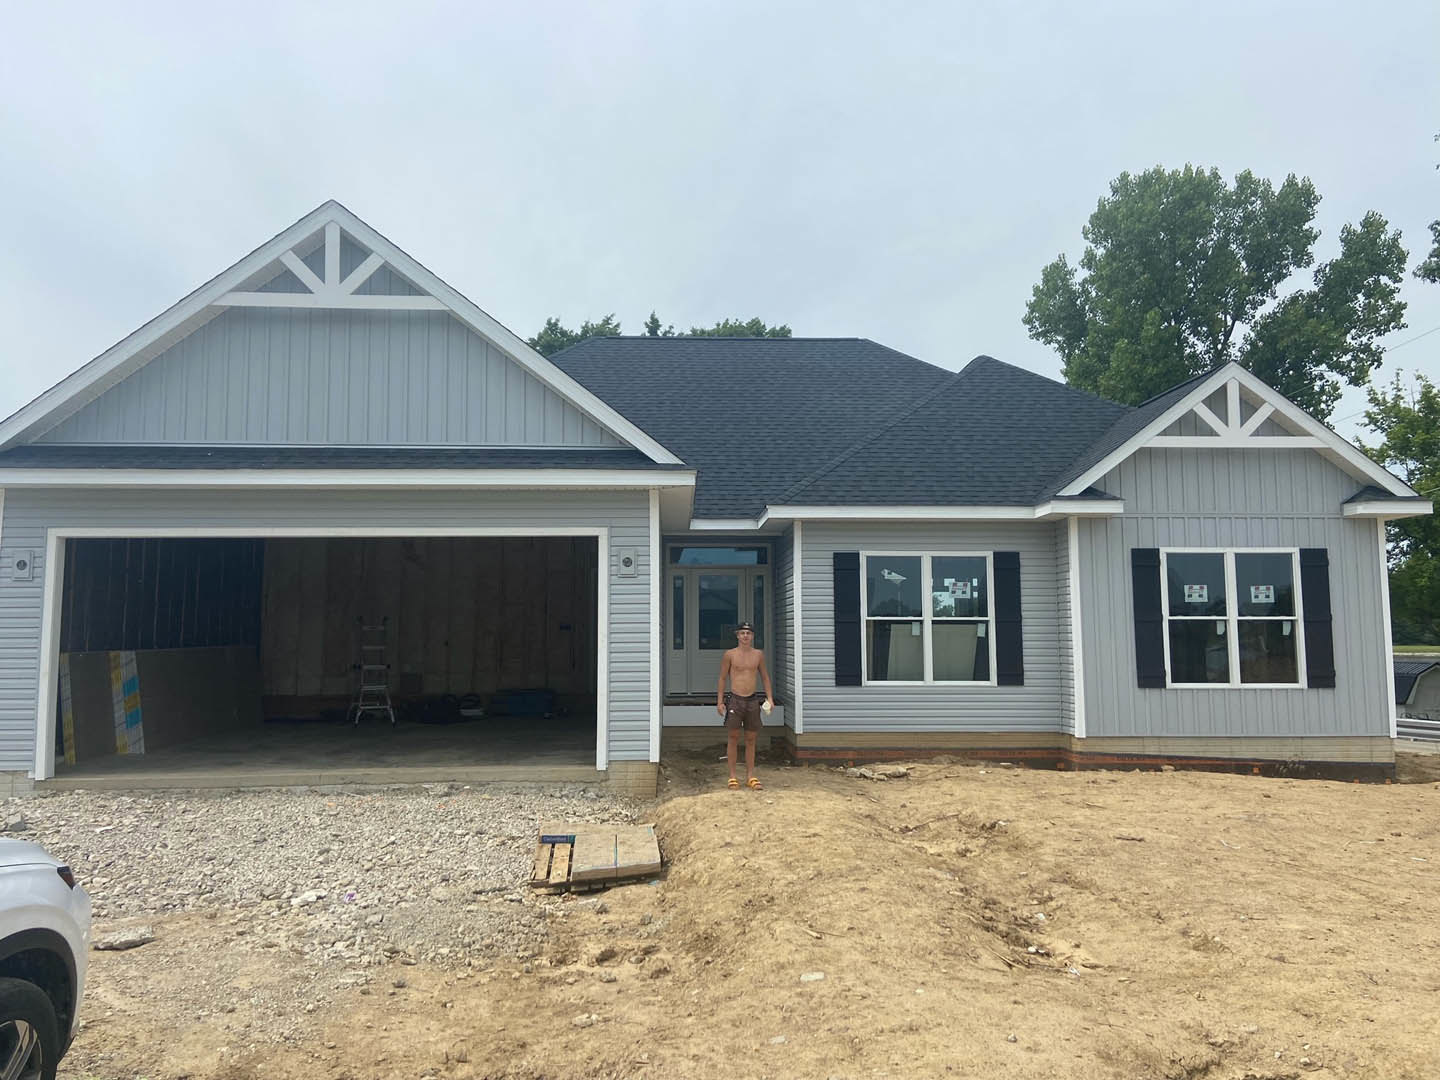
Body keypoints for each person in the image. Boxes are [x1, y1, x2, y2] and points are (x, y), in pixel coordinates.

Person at [716, 622, 774, 790]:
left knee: (751, 739)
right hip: (735, 700)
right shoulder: (730, 655)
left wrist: (770, 698)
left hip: (752, 701)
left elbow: (765, 677)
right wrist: (720, 702)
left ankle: (750, 776)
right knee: (733, 737)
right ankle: (732, 776)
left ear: (752, 636)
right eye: (742, 633)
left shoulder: (758, 655)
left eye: (748, 633)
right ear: (737, 635)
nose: (745, 636)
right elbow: (722, 678)